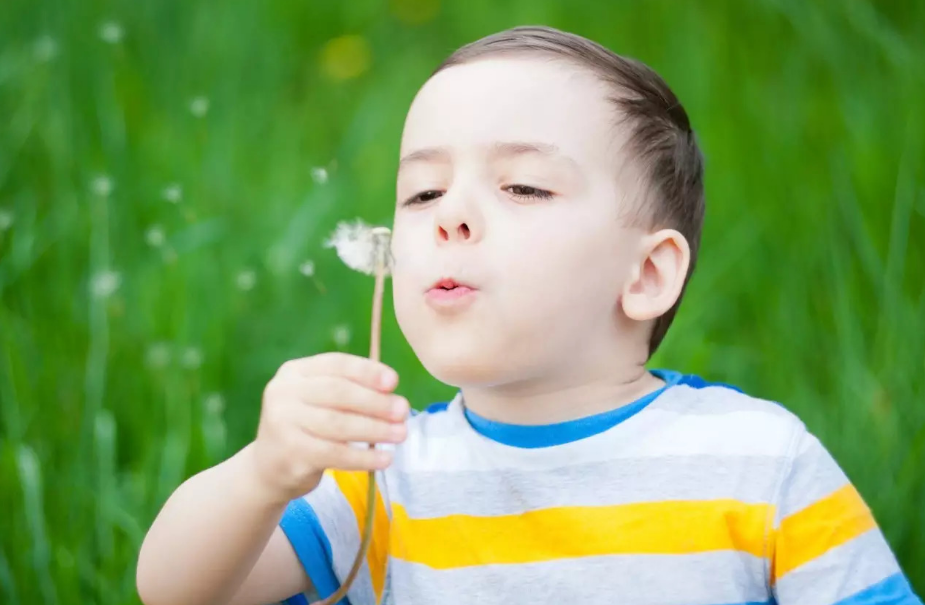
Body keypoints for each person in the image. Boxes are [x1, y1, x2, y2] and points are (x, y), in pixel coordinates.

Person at [136, 25, 922, 605]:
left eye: (522, 187)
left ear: (646, 274)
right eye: (422, 192)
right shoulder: (378, 477)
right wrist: (265, 471)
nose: (450, 217)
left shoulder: (757, 461)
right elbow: (176, 591)